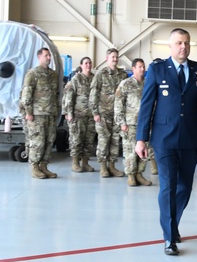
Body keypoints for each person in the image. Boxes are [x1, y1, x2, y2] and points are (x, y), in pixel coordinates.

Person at [135, 29, 197, 255]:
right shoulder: (158, 70)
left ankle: (172, 222)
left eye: (187, 43)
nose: (183, 47)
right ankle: (169, 236)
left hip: (189, 139)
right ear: (170, 46)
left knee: (185, 187)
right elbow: (147, 106)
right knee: (168, 187)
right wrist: (141, 138)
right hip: (163, 139)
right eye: (179, 43)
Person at [21, 47, 60, 179]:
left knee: (49, 141)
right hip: (37, 114)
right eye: (46, 55)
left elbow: (56, 94)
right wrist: (28, 112)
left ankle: (44, 166)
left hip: (50, 113)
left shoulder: (53, 75)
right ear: (39, 57)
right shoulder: (32, 74)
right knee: (37, 142)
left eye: (49, 55)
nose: (48, 58)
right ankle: (35, 167)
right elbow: (26, 94)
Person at [90, 48, 128, 178]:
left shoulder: (122, 75)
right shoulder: (100, 74)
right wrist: (95, 112)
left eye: (116, 57)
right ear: (107, 58)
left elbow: (125, 95)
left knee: (115, 140)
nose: (115, 59)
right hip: (103, 114)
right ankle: (103, 167)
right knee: (103, 140)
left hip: (117, 115)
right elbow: (93, 94)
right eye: (112, 57)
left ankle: (112, 166)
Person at [115, 58, 153, 187]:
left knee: (144, 150)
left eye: (143, 67)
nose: (142, 69)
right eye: (140, 67)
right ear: (133, 69)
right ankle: (131, 175)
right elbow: (119, 104)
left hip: (146, 123)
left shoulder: (148, 83)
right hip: (130, 123)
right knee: (130, 150)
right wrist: (122, 122)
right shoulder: (125, 84)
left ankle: (139, 174)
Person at [63, 57, 96, 173]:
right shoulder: (76, 79)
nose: (88, 65)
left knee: (89, 140)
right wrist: (68, 113)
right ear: (81, 65)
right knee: (76, 139)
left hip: (91, 116)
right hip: (78, 115)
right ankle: (75, 163)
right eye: (86, 63)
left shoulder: (94, 79)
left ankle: (85, 162)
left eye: (89, 63)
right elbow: (68, 97)